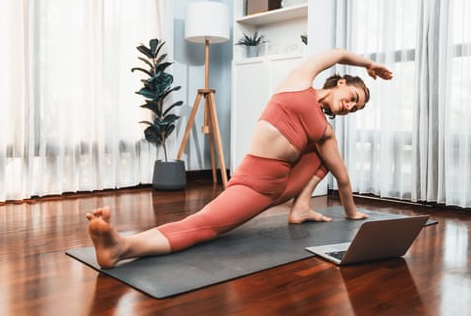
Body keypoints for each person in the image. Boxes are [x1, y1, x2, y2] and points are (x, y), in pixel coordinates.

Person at [86, 48, 393, 268]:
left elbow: (342, 176)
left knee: (204, 225)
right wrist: (369, 65)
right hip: (253, 180)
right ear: (340, 83)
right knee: (205, 223)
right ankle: (121, 247)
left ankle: (121, 248)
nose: (350, 106)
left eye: (356, 108)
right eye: (353, 98)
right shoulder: (300, 80)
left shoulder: (325, 131)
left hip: (275, 184)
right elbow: (337, 53)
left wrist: (351, 213)